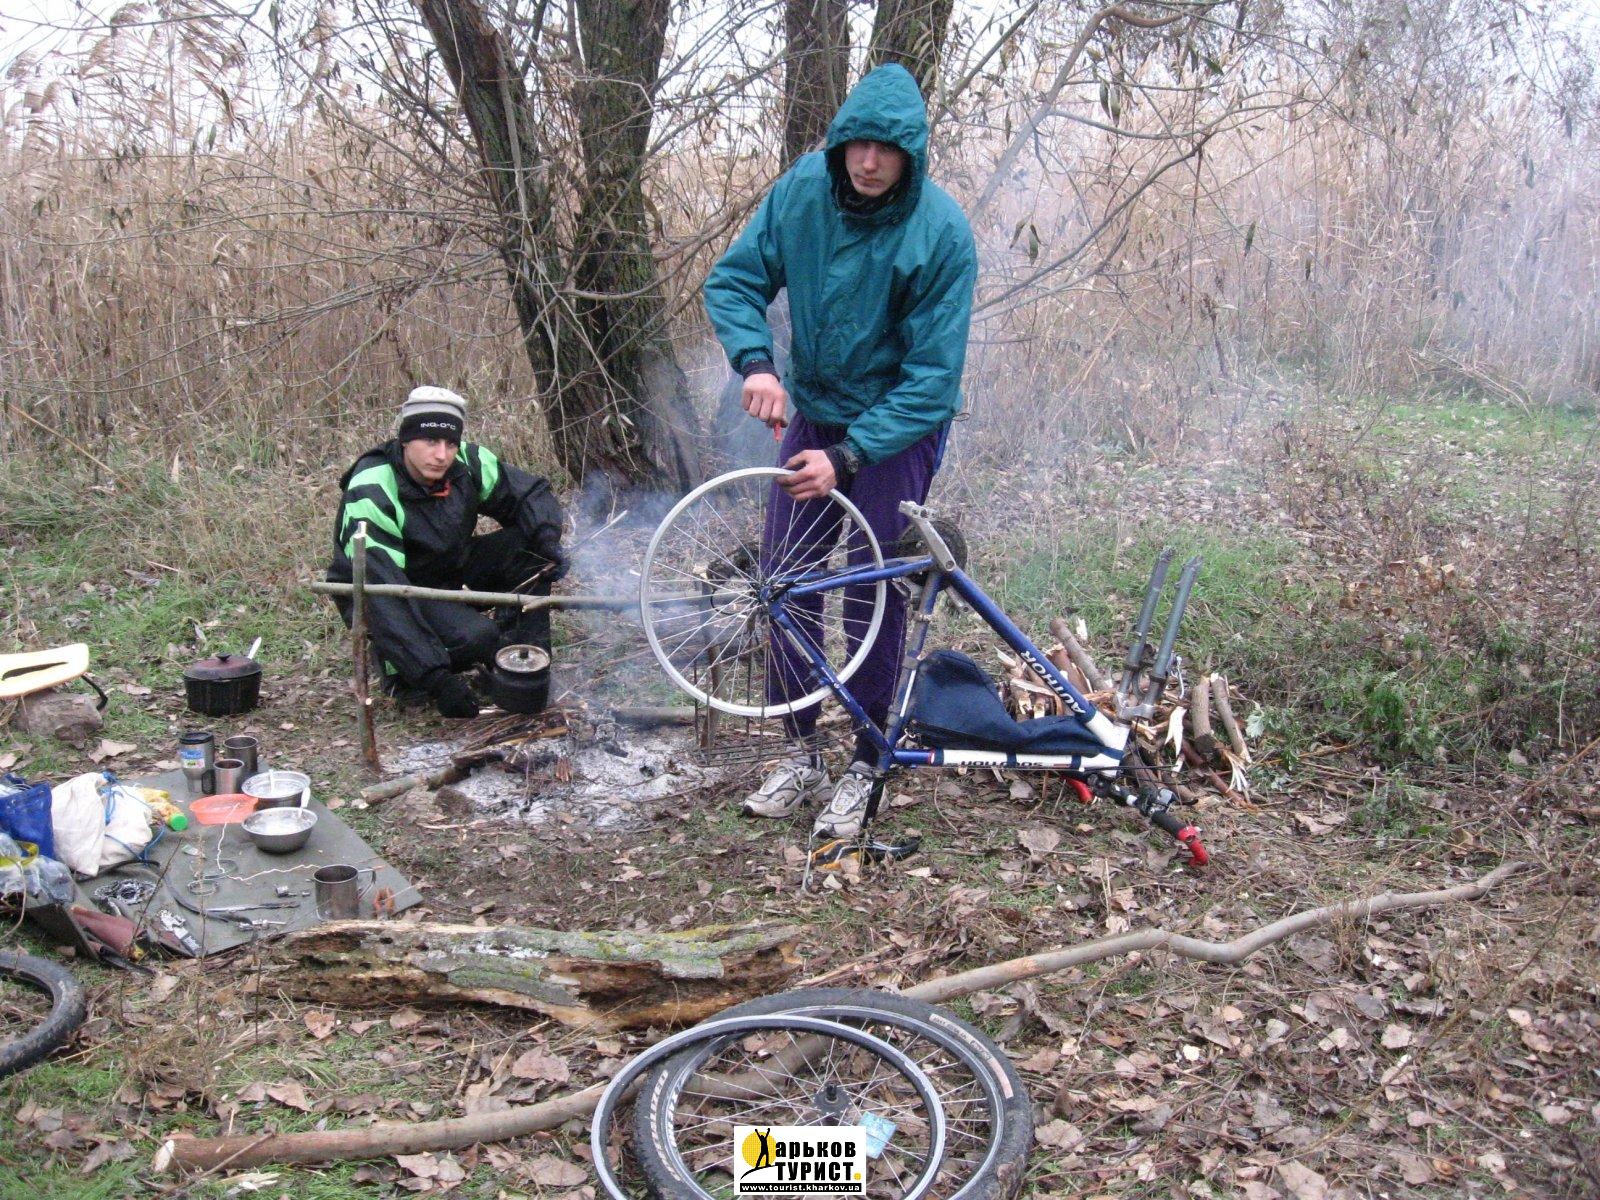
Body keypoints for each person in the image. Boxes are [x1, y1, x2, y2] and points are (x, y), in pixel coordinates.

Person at [703, 63, 978, 839]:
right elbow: (734, 281)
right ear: (839, 144)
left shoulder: (942, 234)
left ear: (911, 156)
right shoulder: (802, 194)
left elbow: (933, 382)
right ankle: (801, 752)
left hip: (895, 431)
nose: (869, 162)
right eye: (858, 144)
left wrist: (850, 459)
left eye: (886, 150)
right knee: (784, 581)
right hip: (816, 413)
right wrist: (757, 363)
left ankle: (865, 758)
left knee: (871, 590)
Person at [326, 387, 566, 719]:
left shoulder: (467, 461)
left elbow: (527, 495)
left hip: (447, 571)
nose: (442, 455)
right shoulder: (372, 486)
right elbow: (381, 592)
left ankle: (518, 662)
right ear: (406, 439)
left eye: (450, 443)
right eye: (430, 441)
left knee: (532, 550)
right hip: (395, 588)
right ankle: (403, 671)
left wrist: (548, 539)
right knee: (476, 637)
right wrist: (437, 680)